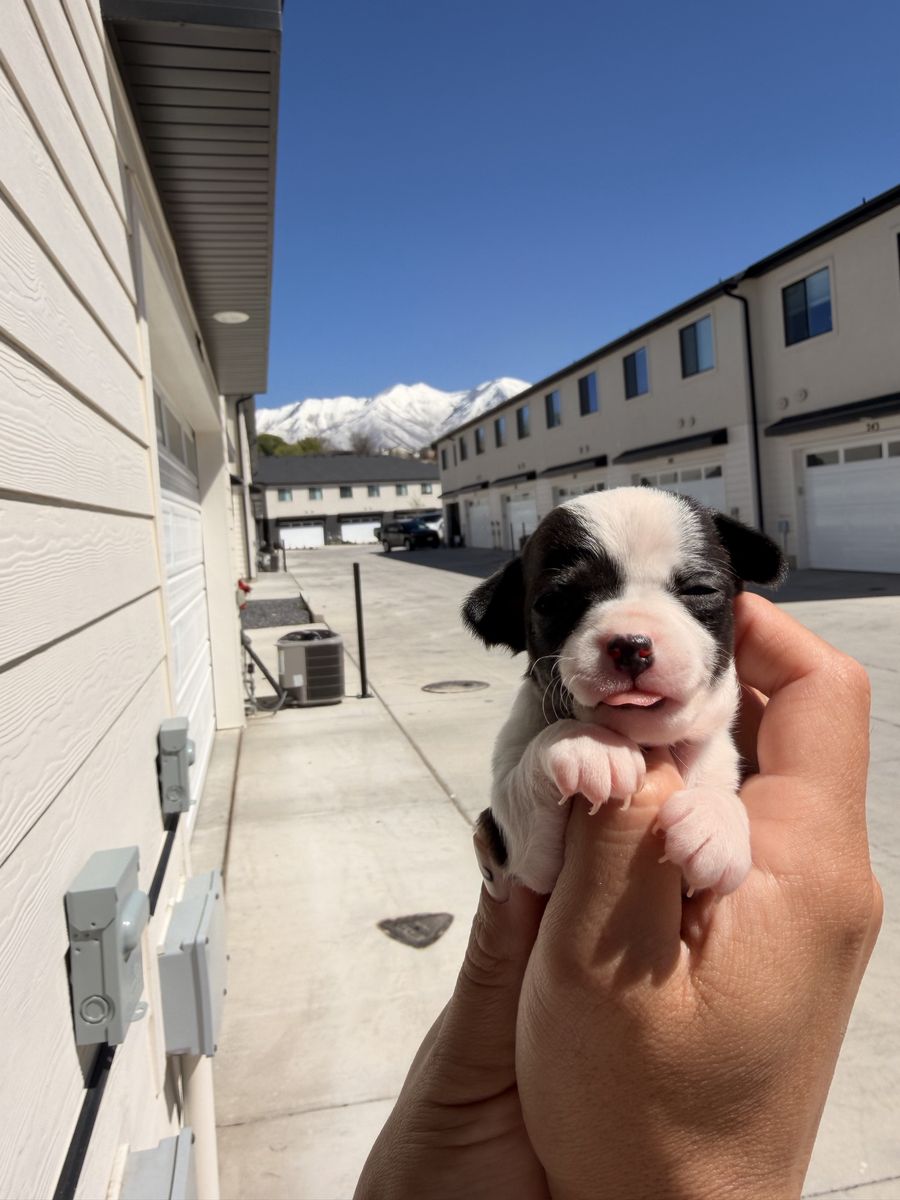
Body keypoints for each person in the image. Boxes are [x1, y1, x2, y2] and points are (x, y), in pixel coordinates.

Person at [354, 594, 882, 1200]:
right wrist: (546, 762)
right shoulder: (538, 719)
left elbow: (721, 805)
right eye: (569, 600)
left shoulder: (715, 733)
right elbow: (520, 840)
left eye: (694, 595)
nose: (631, 634)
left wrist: (718, 810)